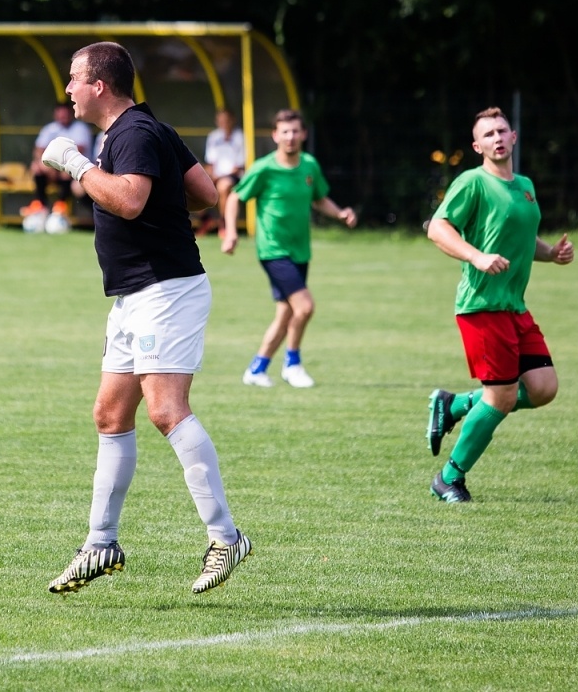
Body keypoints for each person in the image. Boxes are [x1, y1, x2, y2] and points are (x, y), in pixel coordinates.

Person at [40, 41, 252, 595]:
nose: (67, 89)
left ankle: (226, 537)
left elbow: (131, 201)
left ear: (99, 85)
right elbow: (204, 193)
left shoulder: (131, 134)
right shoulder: (148, 129)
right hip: (136, 294)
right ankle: (101, 543)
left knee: (165, 410)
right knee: (111, 415)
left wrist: (78, 165)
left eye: (73, 80)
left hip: (167, 290)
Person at [423, 107, 573, 503]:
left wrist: (550, 254)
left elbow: (522, 241)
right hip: (481, 306)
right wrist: (475, 256)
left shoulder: (524, 185)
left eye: (502, 130)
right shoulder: (472, 182)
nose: (497, 138)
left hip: (514, 306)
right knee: (502, 397)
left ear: (514, 136)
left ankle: (454, 404)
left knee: (542, 388)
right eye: (488, 134)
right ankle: (448, 479)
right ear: (477, 146)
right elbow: (438, 228)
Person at [222, 109, 356, 388]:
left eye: (295, 131)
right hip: (273, 251)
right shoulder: (264, 168)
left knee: (286, 314)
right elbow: (235, 197)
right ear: (275, 135)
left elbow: (320, 199)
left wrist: (340, 213)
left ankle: (256, 369)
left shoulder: (309, 166)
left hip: (300, 252)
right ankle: (292, 364)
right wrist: (232, 232)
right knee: (304, 307)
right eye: (285, 131)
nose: (291, 137)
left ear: (303, 134)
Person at [27, 101, 93, 219]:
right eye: (60, 115)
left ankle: (61, 206)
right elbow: (38, 150)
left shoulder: (80, 128)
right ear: (55, 115)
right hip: (52, 170)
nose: (63, 118)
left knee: (66, 172)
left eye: (65, 115)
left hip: (73, 170)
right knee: (36, 167)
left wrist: (56, 165)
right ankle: (41, 206)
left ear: (71, 114)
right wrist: (44, 164)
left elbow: (78, 150)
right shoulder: (49, 129)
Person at [200, 109, 247, 236]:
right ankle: (206, 219)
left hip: (234, 176)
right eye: (220, 120)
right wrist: (207, 176)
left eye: (226, 120)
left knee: (223, 186)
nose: (223, 123)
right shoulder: (213, 136)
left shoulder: (241, 137)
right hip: (217, 175)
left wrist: (217, 177)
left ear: (233, 120)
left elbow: (239, 166)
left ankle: (224, 223)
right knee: (194, 182)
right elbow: (210, 162)